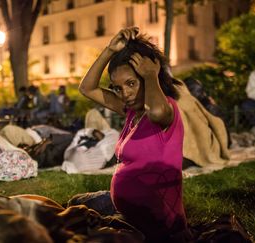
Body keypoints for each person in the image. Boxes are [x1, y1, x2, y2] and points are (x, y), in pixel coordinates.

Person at [79, 27, 189, 242]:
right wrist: (109, 50)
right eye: (118, 88)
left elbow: (156, 111)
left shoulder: (166, 110)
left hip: (158, 226)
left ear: (148, 77)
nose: (125, 94)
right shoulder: (131, 111)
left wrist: (150, 75)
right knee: (75, 205)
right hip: (127, 213)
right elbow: (87, 88)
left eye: (131, 83)